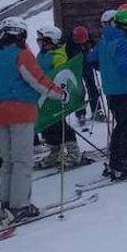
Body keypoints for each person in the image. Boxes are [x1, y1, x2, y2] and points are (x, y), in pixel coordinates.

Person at [0, 18, 66, 224]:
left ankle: (5, 202)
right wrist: (59, 94)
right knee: (22, 160)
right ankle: (20, 204)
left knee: (8, 160)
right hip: (20, 110)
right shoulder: (22, 54)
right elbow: (37, 79)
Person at [90, 9, 127, 179]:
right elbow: (125, 68)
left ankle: (116, 161)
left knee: (122, 125)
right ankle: (126, 161)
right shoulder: (122, 42)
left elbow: (91, 58)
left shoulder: (104, 40)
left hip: (111, 90)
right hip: (125, 89)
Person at [34, 26, 84, 169]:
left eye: (41, 40)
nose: (39, 43)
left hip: (54, 97)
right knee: (48, 126)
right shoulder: (42, 54)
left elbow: (59, 75)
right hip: (43, 97)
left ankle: (74, 152)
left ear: (50, 41)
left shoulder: (58, 56)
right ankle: (55, 152)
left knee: (58, 124)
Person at [68, 25, 102, 122]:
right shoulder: (70, 44)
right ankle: (80, 113)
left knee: (92, 87)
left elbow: (96, 48)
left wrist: (96, 63)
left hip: (87, 65)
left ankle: (97, 110)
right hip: (75, 68)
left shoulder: (89, 38)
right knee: (78, 90)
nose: (82, 43)